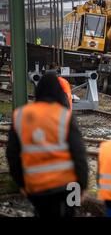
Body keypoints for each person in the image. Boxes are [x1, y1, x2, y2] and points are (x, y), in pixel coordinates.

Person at [6, 73, 88, 217]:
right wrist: (82, 186)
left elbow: (12, 155)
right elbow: (79, 154)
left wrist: (21, 184)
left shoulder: (20, 115)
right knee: (69, 211)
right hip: (66, 185)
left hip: (36, 187)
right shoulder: (63, 115)